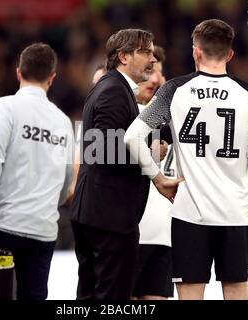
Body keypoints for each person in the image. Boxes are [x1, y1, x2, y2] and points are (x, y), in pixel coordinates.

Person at [124, 19, 248, 300]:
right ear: (230, 54)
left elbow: (132, 137)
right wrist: (244, 148)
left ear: (196, 51)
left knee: (191, 294)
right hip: (235, 215)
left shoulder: (174, 90)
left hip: (189, 215)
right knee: (236, 292)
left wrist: (157, 179)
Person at [70, 29, 179, 300]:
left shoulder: (111, 88)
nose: (152, 59)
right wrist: (152, 162)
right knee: (111, 298)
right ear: (123, 57)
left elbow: (106, 147)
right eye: (145, 52)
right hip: (109, 217)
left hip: (101, 213)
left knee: (92, 296)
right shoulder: (114, 92)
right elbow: (107, 152)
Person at [0, 43, 74, 300]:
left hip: (2, 224)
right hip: (42, 230)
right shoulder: (63, 122)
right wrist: (47, 206)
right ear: (52, 78)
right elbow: (67, 179)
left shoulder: (5, 107)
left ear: (18, 73)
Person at [132, 45, 175, 300]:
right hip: (129, 232)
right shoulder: (121, 114)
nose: (154, 79)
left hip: (163, 233)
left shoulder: (176, 118)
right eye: (148, 71)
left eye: (158, 72)